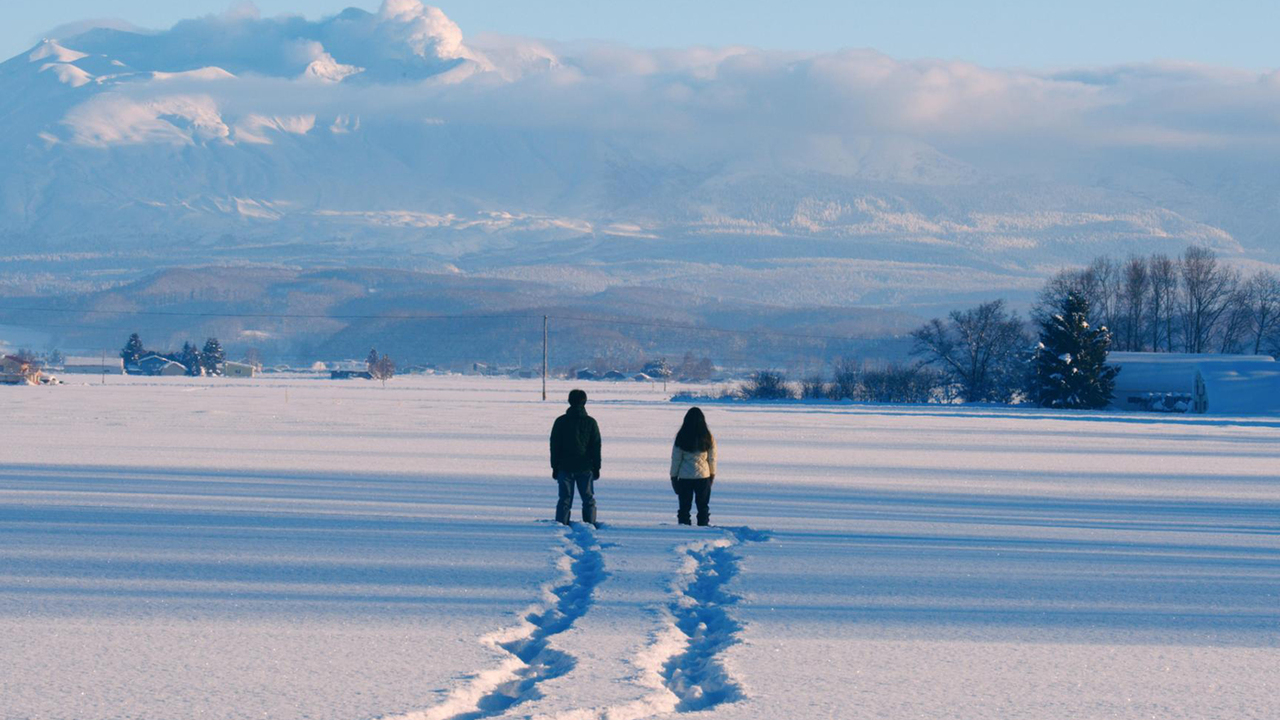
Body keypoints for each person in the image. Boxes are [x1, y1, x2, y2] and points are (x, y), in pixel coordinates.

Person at [549, 388, 602, 526]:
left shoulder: (560, 421)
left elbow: (554, 446)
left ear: (569, 401)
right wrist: (597, 467)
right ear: (585, 402)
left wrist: (554, 466)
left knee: (564, 499)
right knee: (588, 499)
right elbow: (596, 447)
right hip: (585, 467)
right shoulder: (591, 422)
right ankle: (590, 524)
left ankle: (561, 525)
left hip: (564, 467)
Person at [670, 407, 716, 526]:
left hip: (685, 478)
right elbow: (712, 458)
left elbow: (676, 459)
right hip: (703, 476)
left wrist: (673, 476)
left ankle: (684, 529)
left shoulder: (681, 436)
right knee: (703, 506)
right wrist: (712, 474)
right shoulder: (707, 436)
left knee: (684, 507)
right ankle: (703, 527)